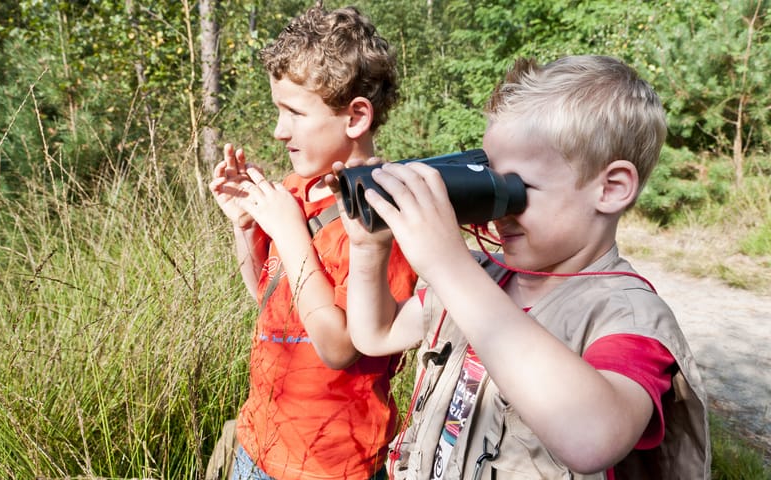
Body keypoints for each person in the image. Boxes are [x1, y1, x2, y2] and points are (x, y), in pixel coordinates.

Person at [333, 55, 710, 479]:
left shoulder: (629, 318)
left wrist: (449, 266)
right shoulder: (485, 276)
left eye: (517, 189)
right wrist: (368, 247)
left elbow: (591, 438)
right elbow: (374, 335)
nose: (498, 211)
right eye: (490, 182)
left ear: (611, 188)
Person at [208, 3, 417, 480]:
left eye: (295, 113)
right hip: (258, 442)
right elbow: (268, 297)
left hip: (329, 462)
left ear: (355, 117)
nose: (280, 131)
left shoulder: (384, 216)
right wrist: (245, 226)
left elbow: (339, 347)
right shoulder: (299, 189)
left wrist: (287, 231)